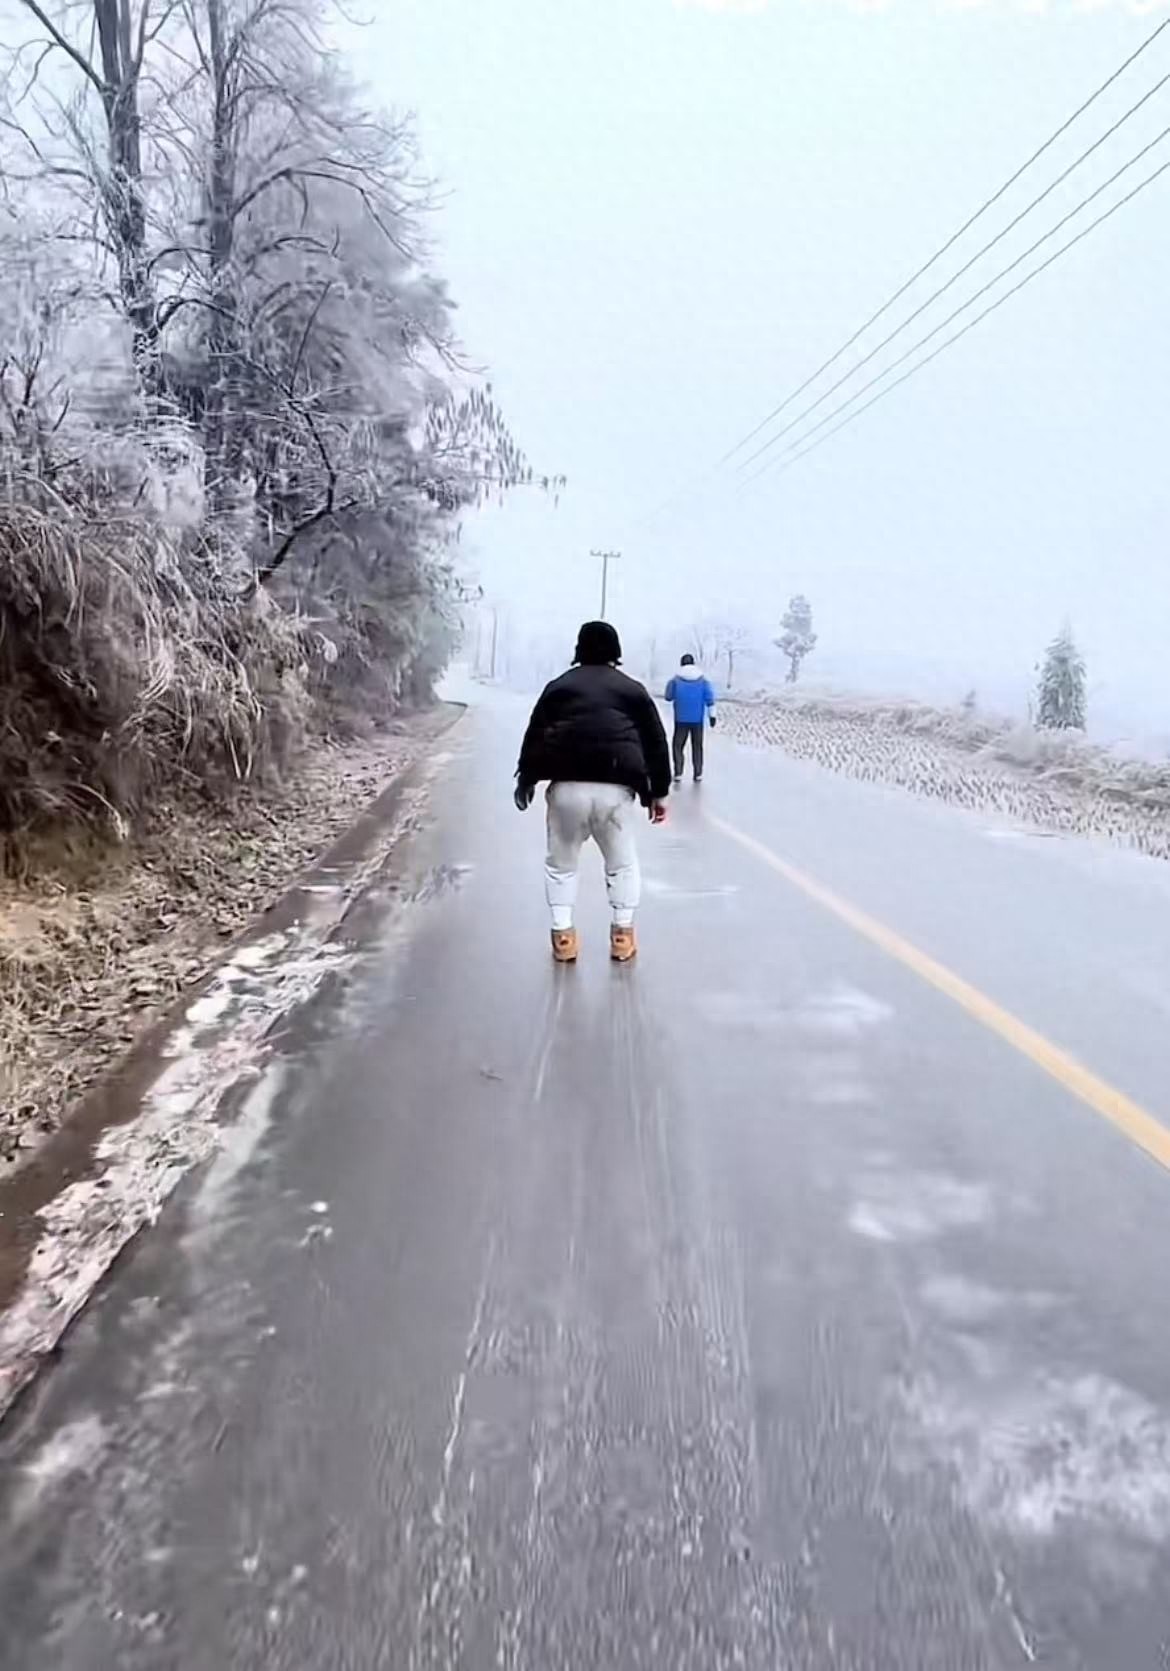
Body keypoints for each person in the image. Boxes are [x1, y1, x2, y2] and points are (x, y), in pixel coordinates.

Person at [515, 621, 671, 963]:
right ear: (616, 651)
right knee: (621, 864)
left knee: (561, 865)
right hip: (616, 790)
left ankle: (563, 940)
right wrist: (658, 793)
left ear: (579, 649)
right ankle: (622, 938)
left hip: (566, 788)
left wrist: (526, 779)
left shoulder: (559, 687)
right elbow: (656, 742)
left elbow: (535, 733)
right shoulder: (632, 690)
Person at [664, 653, 717, 783]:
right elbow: (710, 699)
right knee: (697, 746)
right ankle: (698, 773)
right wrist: (712, 716)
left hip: (680, 719)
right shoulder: (703, 680)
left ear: (681, 664)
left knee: (677, 746)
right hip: (697, 720)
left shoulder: (675, 680)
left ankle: (678, 772)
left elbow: (668, 696)